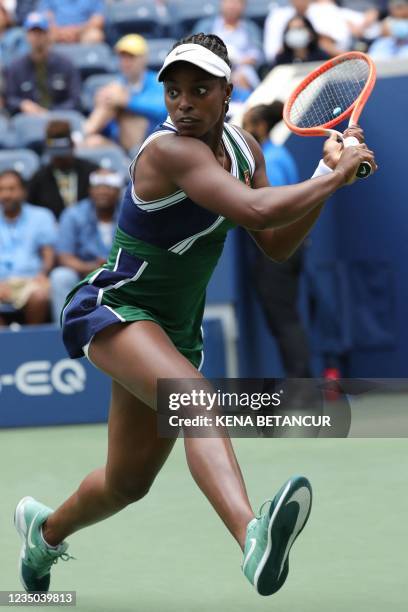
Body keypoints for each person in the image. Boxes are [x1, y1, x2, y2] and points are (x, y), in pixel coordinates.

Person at [14, 34, 376, 597]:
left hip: (173, 331)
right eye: (174, 90)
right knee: (198, 401)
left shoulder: (245, 150)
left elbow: (275, 241)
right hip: (115, 308)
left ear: (227, 94)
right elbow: (255, 207)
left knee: (126, 483)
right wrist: (331, 174)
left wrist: (330, 182)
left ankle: (45, 533)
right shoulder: (169, 151)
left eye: (200, 90)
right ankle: (251, 537)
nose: (183, 102)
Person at [242, 101, 312, 378]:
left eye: (248, 124)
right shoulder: (277, 154)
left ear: (260, 127)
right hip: (288, 248)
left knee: (284, 321)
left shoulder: (270, 161)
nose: (244, 130)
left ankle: (302, 388)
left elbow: (275, 208)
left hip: (279, 251)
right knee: (285, 320)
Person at [49, 168, 122, 323]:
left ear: (118, 191)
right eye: (98, 187)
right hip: (83, 275)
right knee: (60, 276)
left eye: (108, 187)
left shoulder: (128, 214)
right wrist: (90, 267)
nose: (102, 191)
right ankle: (63, 331)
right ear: (90, 190)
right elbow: (64, 256)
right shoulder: (73, 214)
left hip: (122, 276)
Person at [83, 34, 167, 153]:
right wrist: (100, 103)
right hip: (120, 144)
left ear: (143, 58)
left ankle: (81, 134)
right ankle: (82, 135)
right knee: (92, 141)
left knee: (115, 97)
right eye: (122, 57)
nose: (126, 62)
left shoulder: (157, 81)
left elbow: (162, 110)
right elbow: (108, 129)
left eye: (131, 57)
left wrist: (127, 102)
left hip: (152, 143)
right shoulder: (116, 85)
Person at [0, 170, 57, 326]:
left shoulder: (41, 216)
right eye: (1, 190)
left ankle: (31, 342)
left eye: (11, 189)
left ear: (23, 191)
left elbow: (48, 251)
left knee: (39, 295)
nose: (6, 195)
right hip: (1, 281)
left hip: (30, 280)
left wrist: (43, 273)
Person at [3, 12, 81, 116]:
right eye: (33, 32)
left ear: (48, 34)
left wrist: (52, 112)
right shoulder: (16, 67)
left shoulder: (66, 64)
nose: (37, 37)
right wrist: (22, 104)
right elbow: (9, 98)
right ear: (26, 35)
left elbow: (75, 100)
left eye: (40, 32)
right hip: (28, 120)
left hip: (59, 118)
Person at [28, 120, 99, 219]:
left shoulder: (92, 172)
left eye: (63, 153)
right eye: (56, 154)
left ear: (72, 145)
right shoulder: (38, 179)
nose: (60, 159)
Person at [194, 0, 263, 91]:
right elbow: (196, 49)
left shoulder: (251, 28)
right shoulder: (206, 25)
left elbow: (257, 53)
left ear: (243, 6)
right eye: (229, 2)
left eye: (236, 3)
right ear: (222, 3)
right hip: (212, 67)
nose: (232, 6)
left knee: (242, 77)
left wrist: (244, 60)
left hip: (241, 70)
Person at [37, 0, 105, 43]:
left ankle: (90, 64)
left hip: (82, 33)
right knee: (40, 35)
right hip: (56, 32)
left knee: (95, 35)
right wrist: (60, 32)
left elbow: (98, 19)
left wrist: (76, 31)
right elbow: (45, 16)